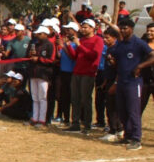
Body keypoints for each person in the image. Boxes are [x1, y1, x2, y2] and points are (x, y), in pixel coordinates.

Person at [107, 18, 154, 150]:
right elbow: (115, 59)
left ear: (131, 29)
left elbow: (152, 56)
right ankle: (127, 136)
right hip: (121, 81)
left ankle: (136, 138)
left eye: (125, 28)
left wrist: (140, 66)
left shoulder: (139, 43)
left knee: (134, 111)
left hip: (134, 82)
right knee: (122, 110)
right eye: (121, 28)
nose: (123, 30)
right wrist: (111, 60)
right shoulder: (120, 44)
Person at [61, 19, 104, 134]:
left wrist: (79, 45)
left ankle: (87, 125)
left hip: (88, 73)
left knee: (86, 99)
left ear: (92, 28)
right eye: (83, 27)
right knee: (75, 99)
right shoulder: (81, 40)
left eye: (86, 27)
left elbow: (93, 55)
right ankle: (75, 123)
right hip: (77, 72)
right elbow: (75, 56)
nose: (83, 29)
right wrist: (70, 46)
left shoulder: (97, 40)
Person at [26, 26, 55, 127]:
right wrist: (30, 55)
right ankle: (35, 117)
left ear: (45, 34)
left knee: (42, 97)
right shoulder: (35, 44)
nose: (37, 35)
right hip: (34, 73)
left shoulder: (50, 45)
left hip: (44, 74)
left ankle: (42, 120)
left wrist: (38, 59)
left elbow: (51, 60)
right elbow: (28, 57)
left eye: (39, 34)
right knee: (34, 97)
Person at [55, 22, 78, 124]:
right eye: (66, 29)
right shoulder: (66, 43)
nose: (66, 31)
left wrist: (63, 46)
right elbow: (61, 56)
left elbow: (73, 57)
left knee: (72, 96)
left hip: (71, 72)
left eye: (69, 29)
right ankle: (65, 118)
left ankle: (73, 119)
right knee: (64, 96)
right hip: (63, 71)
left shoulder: (76, 43)